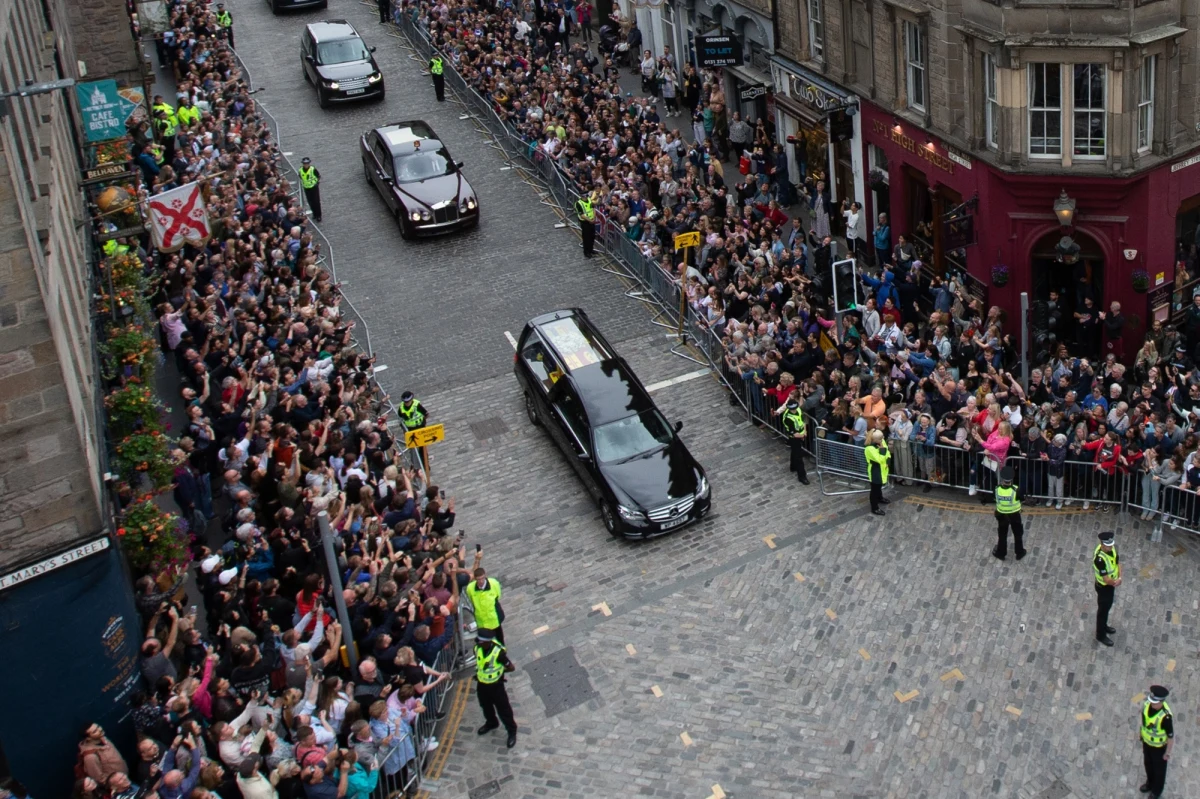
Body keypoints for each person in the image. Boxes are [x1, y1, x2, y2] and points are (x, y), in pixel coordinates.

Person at [474, 630, 518, 748]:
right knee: (485, 706)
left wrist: (499, 673)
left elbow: (511, 667)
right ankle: (491, 723)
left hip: (496, 686)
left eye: (481, 642)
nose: (479, 643)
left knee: (503, 709)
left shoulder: (498, 653)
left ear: (488, 642)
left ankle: (512, 731)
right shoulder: (477, 648)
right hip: (482, 684)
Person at [1140, 685, 1174, 798]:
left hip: (1159, 748)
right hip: (1147, 743)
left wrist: (1167, 753)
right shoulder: (1146, 706)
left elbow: (1170, 736)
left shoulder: (1166, 716)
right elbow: (1145, 723)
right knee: (1148, 764)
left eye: (1154, 702)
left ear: (1161, 702)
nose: (1151, 704)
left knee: (1159, 771)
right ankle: (1150, 783)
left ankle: (1156, 791)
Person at [992, 466, 1025, 561]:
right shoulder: (1016, 489)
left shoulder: (997, 489)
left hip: (1001, 514)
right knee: (1018, 533)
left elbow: (994, 498)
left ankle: (1001, 553)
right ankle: (1020, 552)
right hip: (1015, 514)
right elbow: (1022, 499)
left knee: (1002, 535)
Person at [1093, 530, 1120, 647]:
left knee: (1107, 608)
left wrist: (1120, 576)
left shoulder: (1112, 549)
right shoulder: (1099, 559)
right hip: (1104, 587)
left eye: (1111, 545)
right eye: (1108, 546)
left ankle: (1104, 626)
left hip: (1111, 585)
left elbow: (1118, 563)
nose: (1111, 547)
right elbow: (1105, 579)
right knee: (1103, 611)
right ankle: (1100, 635)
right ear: (1102, 545)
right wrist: (1116, 582)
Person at [466, 564, 504, 643]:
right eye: (478, 579)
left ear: (485, 576)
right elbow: (471, 599)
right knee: (486, 641)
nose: (481, 581)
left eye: (482, 578)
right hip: (481, 620)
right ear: (475, 579)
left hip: (494, 618)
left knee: (499, 639)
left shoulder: (494, 583)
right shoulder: (470, 588)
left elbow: (498, 595)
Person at [779, 399, 809, 485]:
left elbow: (803, 421)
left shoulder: (798, 409)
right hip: (794, 438)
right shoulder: (787, 418)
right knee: (799, 456)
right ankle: (802, 476)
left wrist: (805, 431)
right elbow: (794, 434)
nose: (795, 410)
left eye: (795, 408)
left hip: (801, 434)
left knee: (795, 452)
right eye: (793, 409)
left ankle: (793, 466)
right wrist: (802, 435)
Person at [864, 429, 890, 516]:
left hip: (882, 468)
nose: (883, 439)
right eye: (881, 438)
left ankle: (880, 498)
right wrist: (882, 450)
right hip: (875, 470)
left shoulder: (880, 441)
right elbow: (879, 459)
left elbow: (888, 453)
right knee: (875, 488)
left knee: (879, 486)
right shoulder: (869, 448)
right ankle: (874, 507)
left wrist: (887, 461)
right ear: (875, 439)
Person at [299, 157, 322, 223]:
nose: (306, 165)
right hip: (306, 187)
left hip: (314, 187)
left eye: (307, 163)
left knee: (316, 202)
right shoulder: (300, 170)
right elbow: (300, 176)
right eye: (305, 163)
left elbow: (318, 176)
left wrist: (316, 182)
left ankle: (318, 215)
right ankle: (314, 213)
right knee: (310, 202)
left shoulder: (313, 169)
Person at [575, 191, 596, 258]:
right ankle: (586, 252)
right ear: (581, 196)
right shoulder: (578, 203)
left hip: (592, 221)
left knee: (592, 236)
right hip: (585, 222)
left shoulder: (589, 200)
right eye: (585, 196)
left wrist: (594, 218)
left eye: (587, 195)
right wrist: (590, 220)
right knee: (586, 238)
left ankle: (591, 249)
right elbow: (581, 215)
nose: (586, 197)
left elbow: (593, 209)